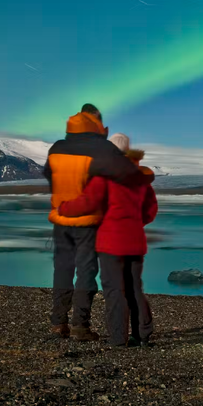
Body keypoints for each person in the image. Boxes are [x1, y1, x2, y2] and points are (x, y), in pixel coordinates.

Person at [43, 104, 147, 341]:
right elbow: (125, 175)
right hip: (89, 222)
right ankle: (80, 326)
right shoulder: (103, 148)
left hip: (61, 219)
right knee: (86, 272)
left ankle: (58, 323)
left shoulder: (57, 147)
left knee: (62, 269)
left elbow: (50, 175)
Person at [59, 133, 157, 347]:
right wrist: (134, 224)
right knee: (134, 288)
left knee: (114, 290)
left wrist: (64, 208)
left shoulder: (105, 175)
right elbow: (150, 210)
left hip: (111, 242)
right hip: (135, 241)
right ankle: (143, 333)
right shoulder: (140, 177)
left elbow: (88, 202)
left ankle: (117, 338)